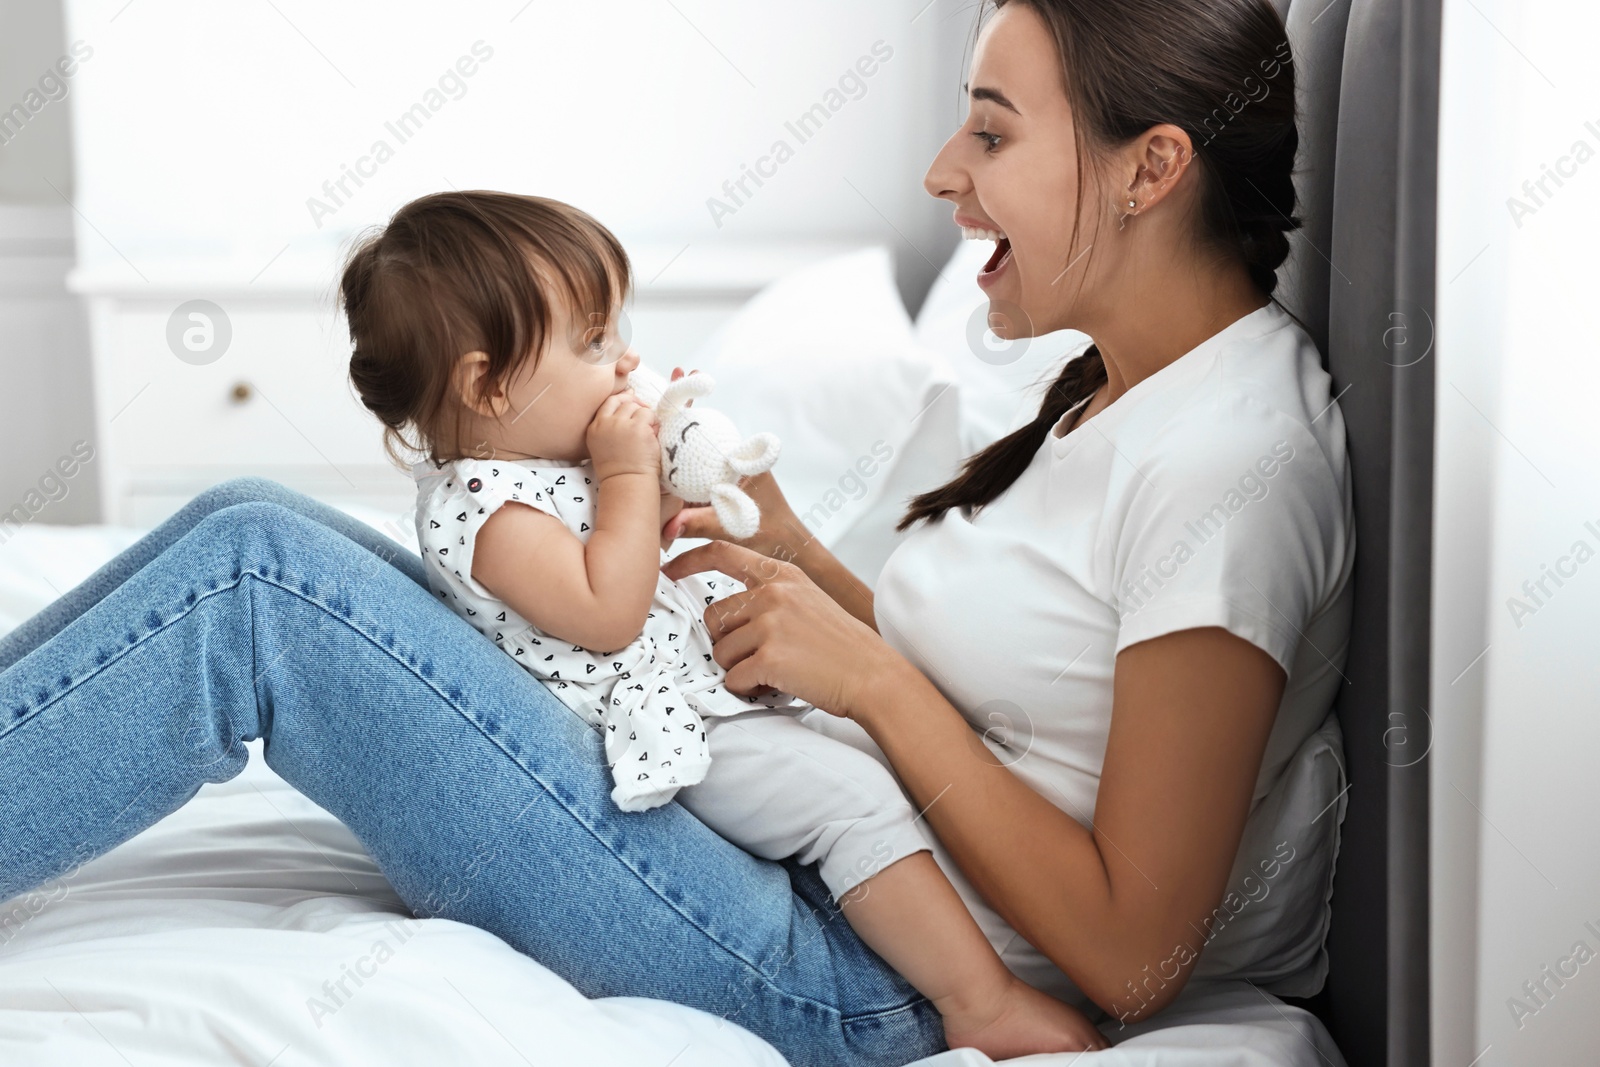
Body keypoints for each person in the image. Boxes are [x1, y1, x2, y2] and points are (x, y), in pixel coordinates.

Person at [0, 2, 1352, 1065]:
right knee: (253, 525)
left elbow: (1136, 956)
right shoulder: (1112, 390)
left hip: (844, 958)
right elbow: (1003, 696)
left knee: (255, 589)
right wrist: (793, 562)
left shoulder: (1233, 464)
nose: (948, 168)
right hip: (782, 844)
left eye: (992, 135)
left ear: (1152, 168)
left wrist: (867, 679)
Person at [345, 189, 1106, 1056]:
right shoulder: (484, 508)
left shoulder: (541, 463)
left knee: (868, 759)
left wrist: (662, 482)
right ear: (488, 385)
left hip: (704, 690)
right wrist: (628, 479)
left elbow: (624, 552)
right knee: (851, 806)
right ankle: (981, 1000)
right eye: (593, 343)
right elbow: (605, 613)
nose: (624, 360)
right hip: (653, 726)